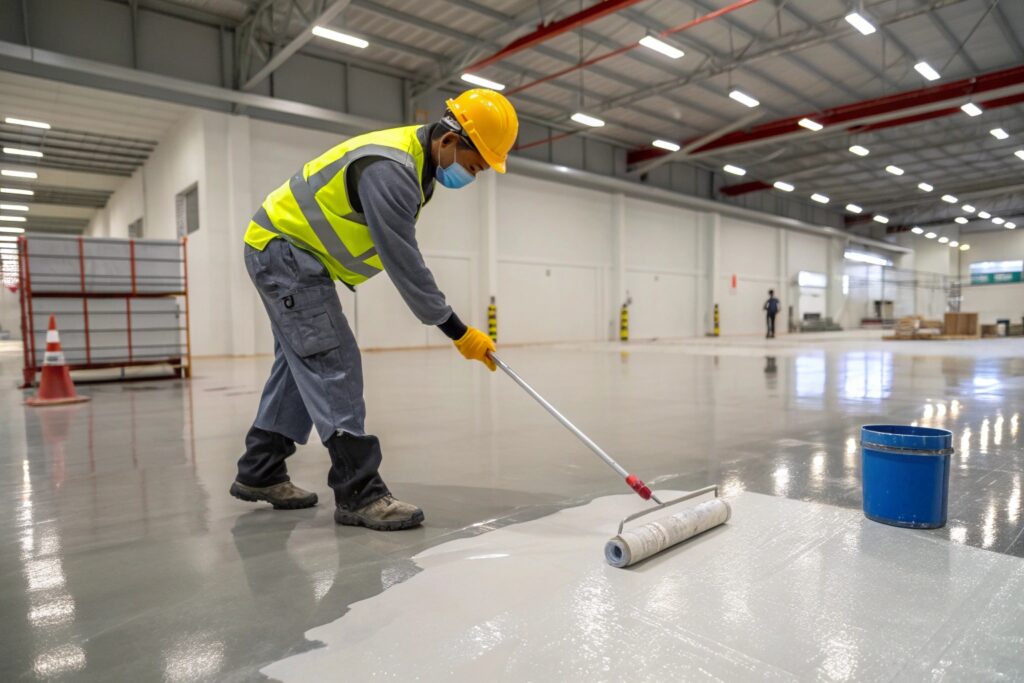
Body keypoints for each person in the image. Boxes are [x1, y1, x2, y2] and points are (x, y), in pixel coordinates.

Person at [229, 89, 519, 531]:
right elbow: (404, 262)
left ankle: (260, 469)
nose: (472, 176)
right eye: (474, 164)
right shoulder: (392, 172)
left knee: (299, 363)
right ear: (448, 141)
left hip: (290, 253)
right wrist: (457, 331)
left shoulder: (417, 167)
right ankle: (359, 493)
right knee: (332, 361)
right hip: (284, 253)